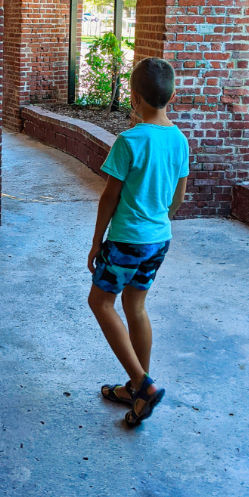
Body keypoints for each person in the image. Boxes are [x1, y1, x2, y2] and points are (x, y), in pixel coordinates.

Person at [87, 57, 189, 427]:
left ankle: (143, 384)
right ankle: (137, 389)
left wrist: (97, 242)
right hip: (159, 239)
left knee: (99, 302)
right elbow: (178, 197)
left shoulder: (129, 141)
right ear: (171, 96)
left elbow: (108, 198)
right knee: (136, 306)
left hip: (127, 240)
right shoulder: (179, 139)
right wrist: (158, 223)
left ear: (134, 97)